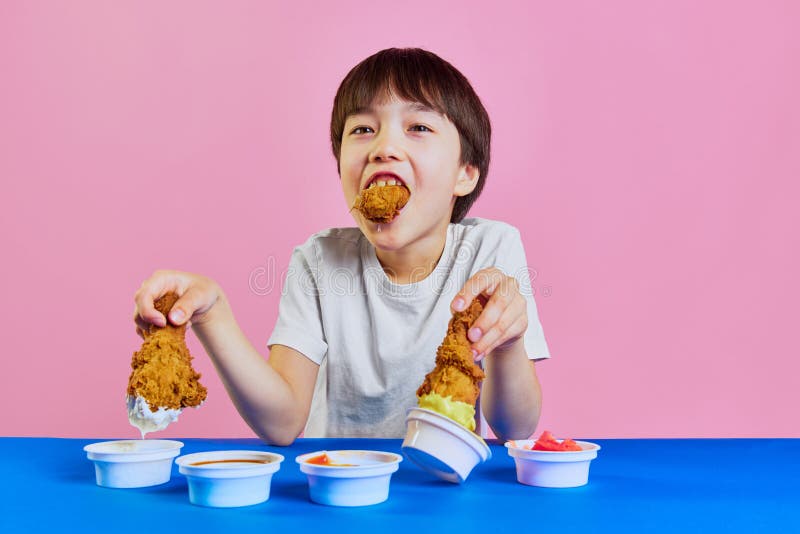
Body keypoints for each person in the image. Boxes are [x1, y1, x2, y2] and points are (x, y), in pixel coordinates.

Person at [133, 47, 550, 445]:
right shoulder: (319, 261)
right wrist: (213, 313)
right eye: (363, 129)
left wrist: (509, 343)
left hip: (440, 487)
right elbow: (282, 422)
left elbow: (515, 429)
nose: (383, 147)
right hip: (336, 486)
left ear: (465, 174)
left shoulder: (491, 252)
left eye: (418, 127)